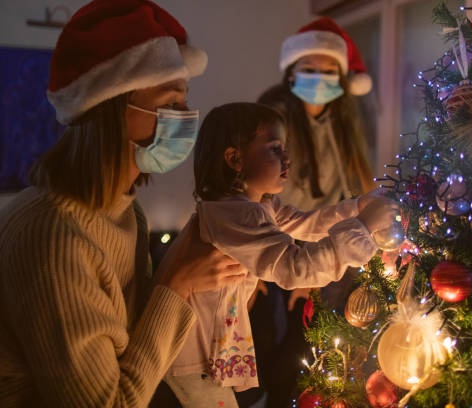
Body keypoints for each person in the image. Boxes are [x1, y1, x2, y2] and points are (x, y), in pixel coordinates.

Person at [0, 1, 247, 406]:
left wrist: (205, 283)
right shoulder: (54, 237)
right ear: (111, 110)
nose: (185, 119)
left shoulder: (125, 209)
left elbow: (131, 340)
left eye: (183, 104)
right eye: (169, 104)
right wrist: (176, 282)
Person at [161, 102, 397, 408]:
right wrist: (363, 227)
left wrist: (356, 209)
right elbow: (293, 269)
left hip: (208, 353)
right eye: (274, 149)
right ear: (235, 159)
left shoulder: (259, 207)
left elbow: (306, 224)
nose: (287, 158)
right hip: (194, 356)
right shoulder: (233, 215)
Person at [246, 17, 377, 406]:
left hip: (328, 247)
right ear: (291, 73)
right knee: (277, 348)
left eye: (327, 70)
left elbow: (358, 180)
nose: (319, 77)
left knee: (318, 351)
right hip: (280, 248)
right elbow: (258, 193)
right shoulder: (273, 118)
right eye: (309, 69)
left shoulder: (345, 118)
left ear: (341, 76)